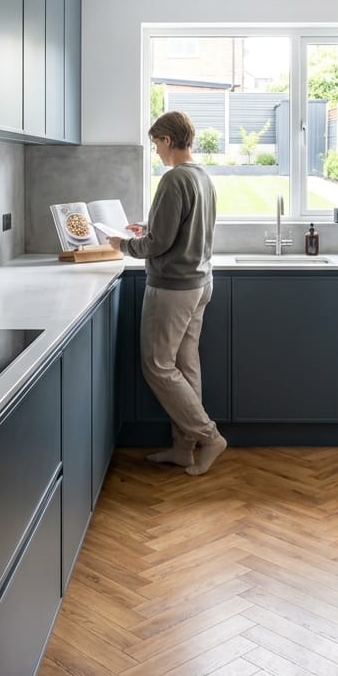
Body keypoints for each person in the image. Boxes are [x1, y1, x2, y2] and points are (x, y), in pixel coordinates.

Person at [108, 111, 227, 476]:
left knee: (158, 366)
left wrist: (122, 244)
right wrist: (147, 227)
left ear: (168, 140)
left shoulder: (174, 178)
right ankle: (183, 448)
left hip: (173, 288)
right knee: (186, 364)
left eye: (156, 143)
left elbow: (159, 244)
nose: (156, 151)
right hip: (199, 283)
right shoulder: (202, 176)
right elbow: (181, 227)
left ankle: (209, 437)